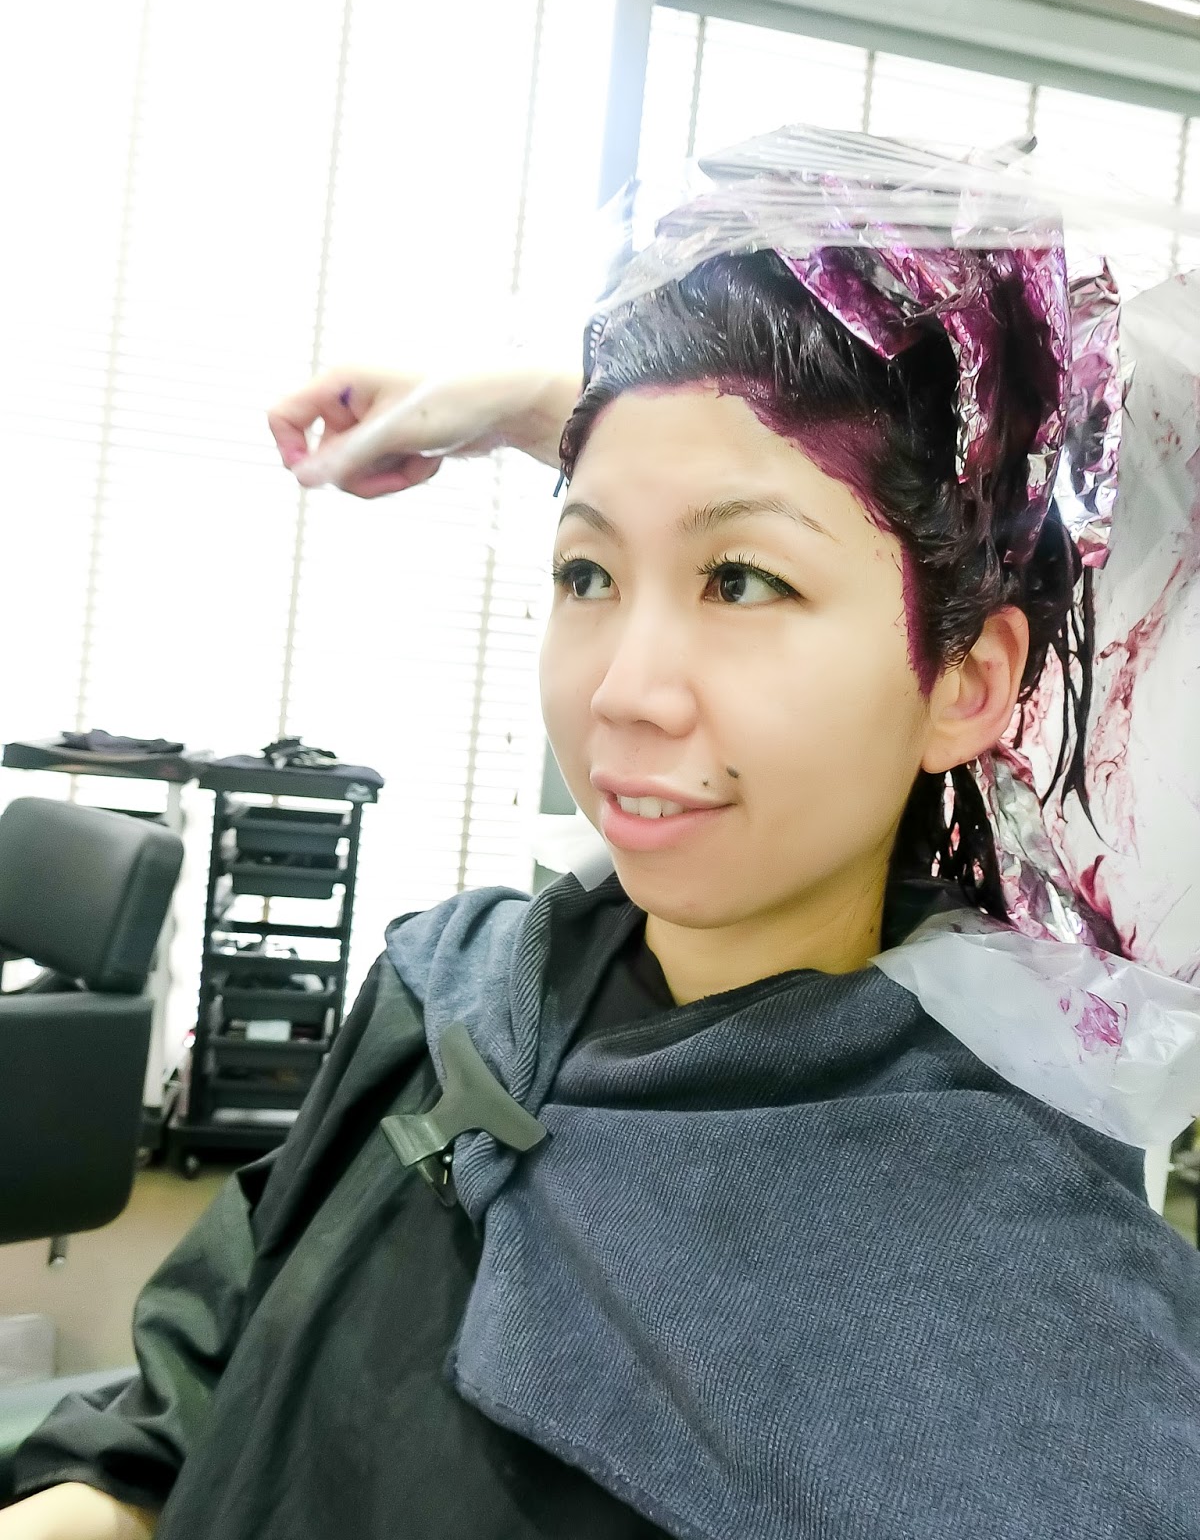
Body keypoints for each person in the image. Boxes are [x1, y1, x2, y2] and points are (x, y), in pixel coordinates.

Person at [4, 134, 1199, 1540]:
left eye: (740, 582)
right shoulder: (444, 990)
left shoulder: (1030, 1295)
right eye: (587, 572)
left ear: (966, 684)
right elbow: (184, 1404)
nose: (622, 692)